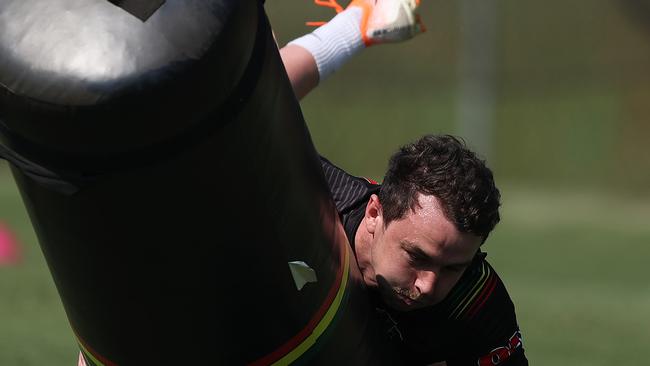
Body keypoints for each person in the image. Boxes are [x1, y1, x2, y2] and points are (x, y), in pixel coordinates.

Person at [277, 1, 528, 365]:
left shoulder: (475, 304)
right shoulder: (316, 200)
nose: (428, 285)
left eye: (453, 267)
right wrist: (350, 31)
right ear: (375, 212)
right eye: (417, 256)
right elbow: (245, 108)